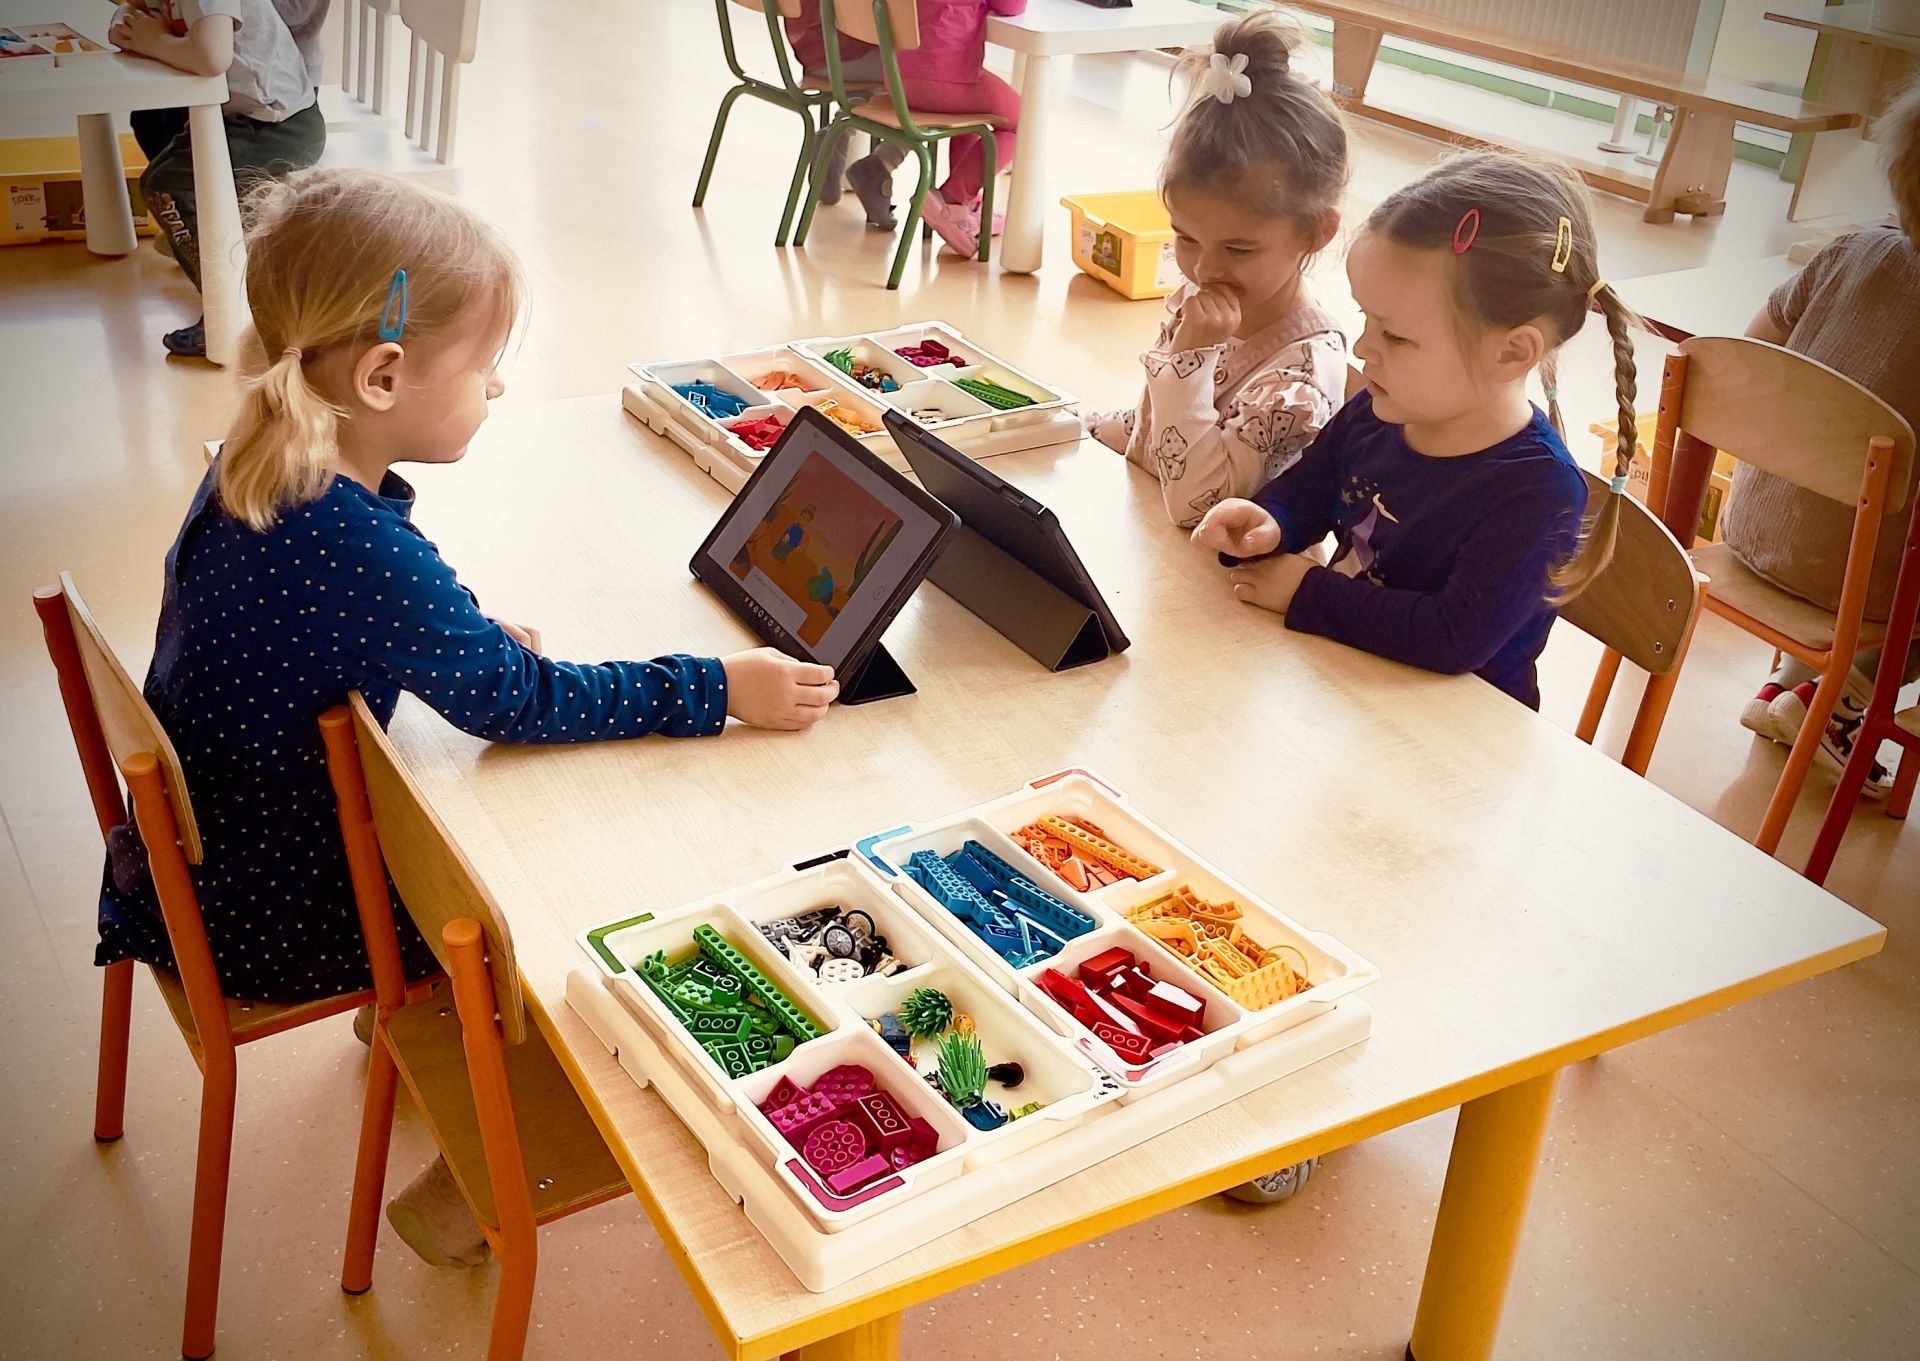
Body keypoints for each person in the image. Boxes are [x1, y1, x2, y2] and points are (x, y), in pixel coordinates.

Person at [93, 169, 838, 1262]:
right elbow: (520, 704)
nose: (497, 388)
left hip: (193, 872)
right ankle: (479, 1169)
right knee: (578, 895)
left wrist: (462, 635)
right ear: (383, 375)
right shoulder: (352, 545)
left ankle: (400, 1025)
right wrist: (721, 686)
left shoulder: (260, 464)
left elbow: (351, 619)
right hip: (271, 916)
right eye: (484, 368)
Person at [1191, 150, 1626, 714]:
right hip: (1350, 690)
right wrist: (1271, 523)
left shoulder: (1538, 493)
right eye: (1366, 319)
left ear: (1511, 353)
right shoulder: (1380, 410)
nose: (1362, 347)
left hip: (1455, 730)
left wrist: (1308, 592)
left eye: (1394, 336)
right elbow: (1311, 489)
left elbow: (1453, 638)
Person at [1719, 79, 1920, 792]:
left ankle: (1788, 688)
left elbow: (1747, 357)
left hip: (1754, 528)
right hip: (1864, 581)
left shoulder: (1852, 249)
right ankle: (1838, 703)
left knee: (1858, 516)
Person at [1085, 11, 1351, 528]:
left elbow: (1200, 506)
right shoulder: (1211, 302)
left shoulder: (1301, 376)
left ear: (1316, 232)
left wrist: (1188, 362)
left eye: (1239, 249)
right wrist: (1077, 428)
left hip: (1206, 569)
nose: (1204, 268)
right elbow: (1154, 434)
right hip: (1144, 536)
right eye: (1186, 238)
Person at [110, 0, 326, 357]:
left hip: (274, 122)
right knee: (155, 127)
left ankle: (232, 311)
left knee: (167, 185)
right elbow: (127, 19)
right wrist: (134, 27)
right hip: (243, 114)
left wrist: (153, 41)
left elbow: (213, 58)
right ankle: (239, 291)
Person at [902, 0, 1028, 260]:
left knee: (969, 112)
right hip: (943, 79)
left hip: (898, 78)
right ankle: (951, 200)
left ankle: (968, 202)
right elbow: (1011, 7)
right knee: (1024, 120)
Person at [783, 0, 908, 228]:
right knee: (926, 77)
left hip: (814, 54)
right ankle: (882, 164)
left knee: (909, 67)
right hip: (853, 56)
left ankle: (838, 132)